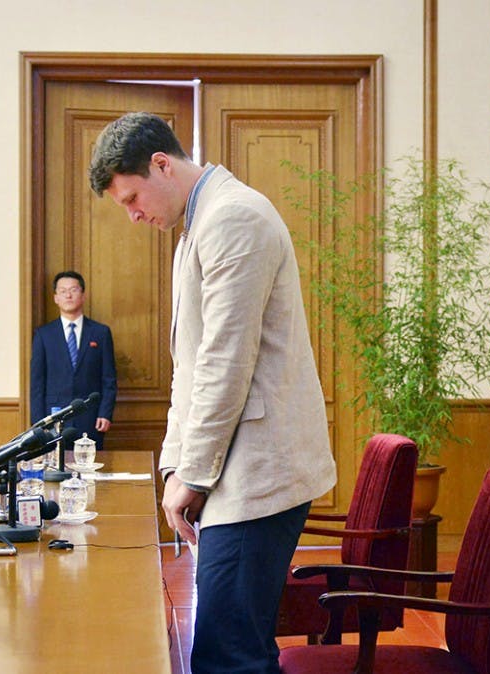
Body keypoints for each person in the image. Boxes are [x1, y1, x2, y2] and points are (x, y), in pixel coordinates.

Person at [88, 112, 336, 674]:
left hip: (258, 472)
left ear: (161, 165)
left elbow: (226, 364)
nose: (133, 215)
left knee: (228, 656)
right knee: (236, 650)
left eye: (132, 199)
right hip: (233, 467)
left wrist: (193, 476)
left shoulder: (233, 216)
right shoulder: (197, 226)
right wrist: (175, 468)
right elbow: (190, 368)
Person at [30, 270, 117, 450]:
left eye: (73, 290)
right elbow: (37, 383)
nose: (68, 295)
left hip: (91, 419)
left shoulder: (100, 333)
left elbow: (109, 379)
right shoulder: (44, 335)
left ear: (83, 295)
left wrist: (105, 413)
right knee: (55, 465)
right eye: (63, 291)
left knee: (90, 465)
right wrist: (39, 423)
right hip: (54, 419)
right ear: (56, 298)